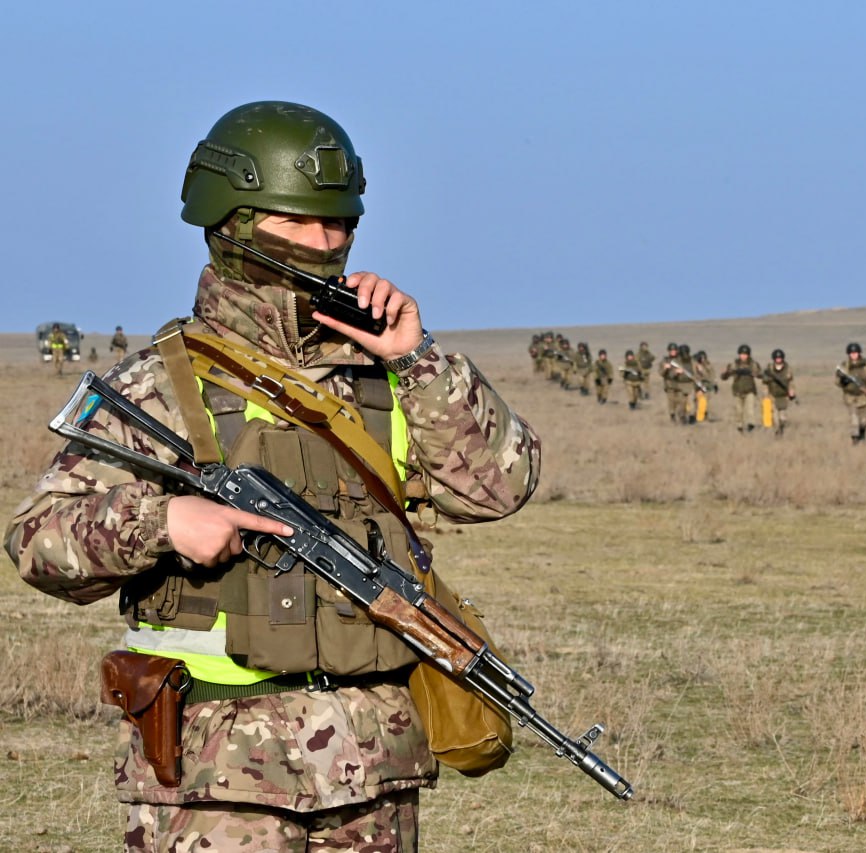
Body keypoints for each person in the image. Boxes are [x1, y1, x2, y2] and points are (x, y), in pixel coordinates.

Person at [5, 101, 541, 852]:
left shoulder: (381, 379)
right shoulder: (161, 384)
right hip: (214, 782)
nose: (327, 244)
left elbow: (499, 487)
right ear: (234, 224)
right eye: (301, 222)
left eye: (340, 224)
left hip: (371, 775)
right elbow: (34, 542)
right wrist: (162, 524)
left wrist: (417, 357)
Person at [836, 342, 866, 444]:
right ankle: (855, 441)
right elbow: (837, 381)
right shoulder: (844, 366)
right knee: (854, 420)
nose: (853, 355)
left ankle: (862, 436)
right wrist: (843, 381)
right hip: (850, 397)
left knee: (863, 421)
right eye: (851, 353)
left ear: (859, 353)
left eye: (855, 353)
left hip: (864, 397)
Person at [720, 344, 761, 433]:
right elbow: (724, 377)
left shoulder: (753, 364)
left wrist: (751, 373)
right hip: (737, 391)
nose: (743, 356)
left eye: (745, 354)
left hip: (750, 390)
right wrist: (729, 372)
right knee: (738, 411)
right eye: (742, 354)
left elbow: (760, 374)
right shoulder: (734, 364)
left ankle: (751, 425)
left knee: (750, 410)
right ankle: (740, 427)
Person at [760, 348, 796, 436]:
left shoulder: (788, 369)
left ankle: (781, 428)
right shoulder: (770, 368)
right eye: (777, 358)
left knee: (783, 418)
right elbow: (764, 381)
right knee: (774, 417)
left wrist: (792, 391)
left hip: (783, 395)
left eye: (780, 358)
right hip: (772, 395)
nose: (778, 359)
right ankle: (777, 432)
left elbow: (790, 382)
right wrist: (766, 394)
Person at [661, 342, 696, 424]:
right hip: (673, 386)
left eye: (674, 350)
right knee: (675, 404)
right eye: (671, 350)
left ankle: (690, 417)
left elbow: (694, 372)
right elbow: (665, 373)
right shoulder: (669, 361)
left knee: (689, 402)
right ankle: (677, 417)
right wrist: (670, 370)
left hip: (688, 384)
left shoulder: (690, 361)